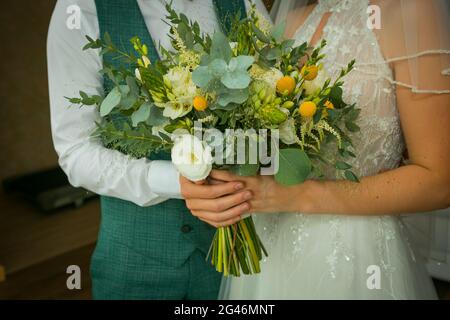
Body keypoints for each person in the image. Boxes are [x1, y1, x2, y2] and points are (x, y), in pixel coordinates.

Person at [216, 0, 450, 299]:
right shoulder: (289, 21)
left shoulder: (411, 10)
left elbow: (438, 181)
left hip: (357, 253)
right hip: (270, 247)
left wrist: (295, 195)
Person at [47, 0, 268, 300]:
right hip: (136, 266)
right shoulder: (80, 10)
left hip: (244, 266)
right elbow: (76, 151)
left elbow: (273, 96)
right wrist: (176, 180)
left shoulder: (244, 2)